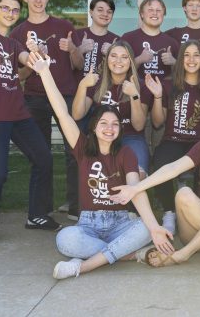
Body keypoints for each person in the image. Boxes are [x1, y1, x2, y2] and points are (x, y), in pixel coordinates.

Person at [27, 52, 173, 280]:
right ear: (94, 126)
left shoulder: (126, 153)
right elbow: (62, 112)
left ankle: (82, 266)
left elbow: (136, 191)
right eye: (103, 123)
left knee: (145, 228)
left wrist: (154, 227)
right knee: (65, 239)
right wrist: (45, 72)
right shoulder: (82, 147)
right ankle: (128, 253)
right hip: (89, 224)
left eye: (115, 124)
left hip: (120, 222)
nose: (109, 128)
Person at [111, 104, 200, 267]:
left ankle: (183, 254)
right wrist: (135, 188)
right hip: (198, 225)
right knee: (183, 193)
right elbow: (173, 168)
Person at [0, 0, 59, 243]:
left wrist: (35, 54)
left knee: (44, 159)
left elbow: (24, 66)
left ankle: (37, 215)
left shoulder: (13, 43)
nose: (10, 13)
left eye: (14, 10)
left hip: (18, 113)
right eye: (5, 8)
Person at [9, 0, 80, 223]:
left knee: (75, 151)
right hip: (35, 97)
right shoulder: (17, 33)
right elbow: (19, 76)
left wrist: (72, 49)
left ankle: (76, 207)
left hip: (65, 94)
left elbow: (77, 65)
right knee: (41, 154)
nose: (38, 0)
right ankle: (40, 212)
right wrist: (34, 61)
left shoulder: (63, 26)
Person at [146, 40, 200, 234]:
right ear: (180, 59)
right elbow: (157, 122)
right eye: (187, 55)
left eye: (196, 55)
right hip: (173, 140)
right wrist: (157, 96)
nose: (191, 59)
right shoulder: (168, 84)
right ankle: (169, 212)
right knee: (161, 162)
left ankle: (198, 211)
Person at [71, 41, 152, 178]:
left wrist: (134, 96)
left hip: (130, 136)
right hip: (103, 137)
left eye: (124, 57)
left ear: (131, 61)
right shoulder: (96, 82)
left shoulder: (140, 86)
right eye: (113, 56)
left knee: (139, 175)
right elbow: (77, 115)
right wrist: (83, 85)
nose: (118, 61)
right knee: (99, 175)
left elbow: (138, 126)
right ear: (107, 59)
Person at [120, 0, 180, 81]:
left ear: (164, 14)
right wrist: (139, 60)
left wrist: (174, 62)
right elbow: (117, 68)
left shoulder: (172, 43)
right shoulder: (128, 38)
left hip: (164, 94)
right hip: (134, 92)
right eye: (150, 10)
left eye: (158, 10)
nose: (154, 13)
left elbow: (183, 75)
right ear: (142, 14)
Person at [70, 0, 120, 84]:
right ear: (91, 12)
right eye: (100, 10)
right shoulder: (76, 35)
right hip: (77, 92)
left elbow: (122, 73)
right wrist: (80, 50)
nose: (105, 14)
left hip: (104, 93)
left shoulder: (117, 41)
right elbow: (66, 67)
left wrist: (112, 54)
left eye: (109, 11)